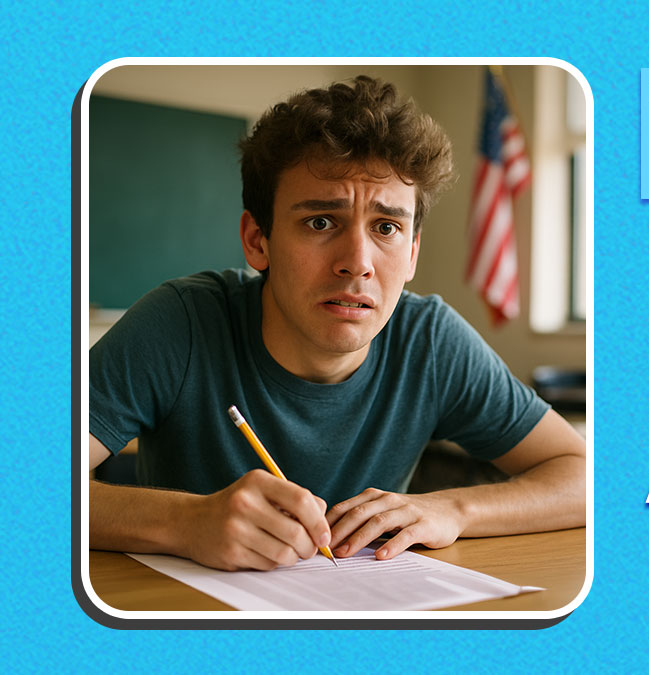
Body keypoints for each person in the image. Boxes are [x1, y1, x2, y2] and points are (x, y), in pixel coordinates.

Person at [88, 75, 585, 572]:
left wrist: (451, 509)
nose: (358, 263)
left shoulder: (429, 340)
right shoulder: (181, 322)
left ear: (412, 254)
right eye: (321, 222)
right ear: (258, 240)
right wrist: (185, 522)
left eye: (387, 227)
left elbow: (585, 477)